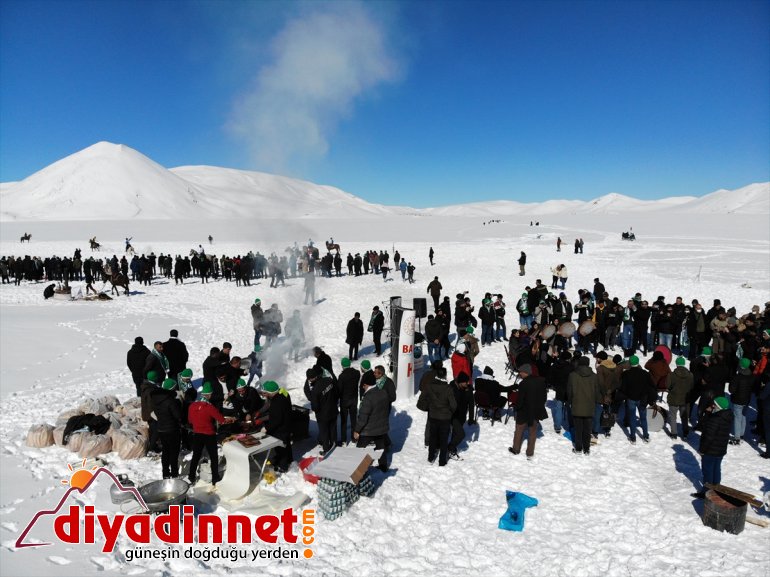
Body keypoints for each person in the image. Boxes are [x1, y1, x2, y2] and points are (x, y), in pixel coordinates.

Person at [188, 383, 235, 486]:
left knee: (196, 455)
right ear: (209, 395)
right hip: (209, 434)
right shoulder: (209, 407)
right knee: (213, 457)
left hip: (197, 434)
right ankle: (215, 478)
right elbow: (221, 420)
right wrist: (230, 419)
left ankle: (191, 476)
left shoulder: (192, 406)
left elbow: (190, 421)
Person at [691, 397, 732, 499]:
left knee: (708, 471)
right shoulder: (727, 416)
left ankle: (706, 492)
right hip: (720, 449)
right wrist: (710, 413)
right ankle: (716, 489)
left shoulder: (715, 419)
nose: (712, 406)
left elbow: (709, 436)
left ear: (719, 407)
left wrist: (702, 450)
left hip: (710, 450)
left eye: (714, 405)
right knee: (716, 469)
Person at [353, 373, 391, 472]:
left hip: (368, 430)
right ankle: (383, 467)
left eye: (363, 385)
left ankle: (357, 469)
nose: (362, 387)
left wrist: (357, 430)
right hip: (381, 428)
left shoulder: (368, 398)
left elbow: (363, 417)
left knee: (360, 449)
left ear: (366, 385)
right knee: (380, 448)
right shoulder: (383, 392)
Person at [510, 364, 548, 459]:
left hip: (524, 411)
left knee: (519, 430)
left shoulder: (523, 383)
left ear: (525, 372)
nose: (520, 374)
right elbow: (544, 398)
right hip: (535, 411)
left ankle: (516, 449)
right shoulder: (541, 381)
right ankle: (530, 453)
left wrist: (516, 408)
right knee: (533, 432)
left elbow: (520, 400)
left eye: (521, 372)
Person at [254, 381, 293, 472]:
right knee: (286, 445)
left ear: (270, 393)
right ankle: (290, 460)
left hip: (280, 428)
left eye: (265, 393)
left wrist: (266, 428)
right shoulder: (283, 393)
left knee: (280, 447)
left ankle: (283, 467)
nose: (264, 395)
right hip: (287, 424)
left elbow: (276, 419)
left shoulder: (277, 402)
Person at [567, 357, 601, 454]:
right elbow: (597, 391)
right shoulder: (594, 376)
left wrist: (570, 401)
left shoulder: (572, 375)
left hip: (577, 404)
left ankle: (578, 448)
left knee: (578, 429)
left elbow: (569, 391)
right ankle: (587, 449)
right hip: (589, 405)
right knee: (587, 428)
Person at [425, 366, 456, 466]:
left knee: (433, 437)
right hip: (445, 418)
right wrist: (449, 412)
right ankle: (442, 461)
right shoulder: (448, 389)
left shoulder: (430, 386)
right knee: (443, 439)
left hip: (433, 416)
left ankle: (430, 458)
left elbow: (427, 399)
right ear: (445, 375)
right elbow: (453, 405)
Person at [620, 355, 654, 444]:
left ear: (630, 363)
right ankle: (646, 436)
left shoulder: (626, 374)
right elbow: (650, 386)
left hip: (631, 399)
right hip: (642, 399)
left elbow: (623, 388)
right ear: (638, 362)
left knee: (632, 418)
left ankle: (633, 437)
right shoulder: (645, 374)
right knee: (643, 418)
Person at [152, 379, 182, 479]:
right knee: (174, 452)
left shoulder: (156, 399)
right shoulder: (170, 401)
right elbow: (177, 415)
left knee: (166, 451)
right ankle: (174, 473)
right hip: (172, 429)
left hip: (161, 429)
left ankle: (165, 473)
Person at [304, 367, 339, 454]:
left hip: (323, 415)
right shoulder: (328, 380)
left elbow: (315, 407)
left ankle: (327, 450)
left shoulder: (315, 390)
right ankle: (335, 446)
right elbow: (336, 393)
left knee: (325, 433)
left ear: (311, 378)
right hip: (333, 410)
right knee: (333, 430)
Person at [666, 356, 694, 439]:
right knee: (684, 416)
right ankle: (685, 432)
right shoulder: (690, 375)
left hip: (674, 398)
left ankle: (674, 434)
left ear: (677, 364)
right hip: (685, 399)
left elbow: (667, 386)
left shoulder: (671, 375)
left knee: (673, 416)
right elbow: (691, 386)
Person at [728, 357, 754, 445]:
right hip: (746, 400)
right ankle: (741, 434)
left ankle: (737, 438)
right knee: (743, 416)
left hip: (737, 400)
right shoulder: (751, 376)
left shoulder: (737, 377)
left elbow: (731, 390)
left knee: (737, 418)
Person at [337, 358, 360, 446]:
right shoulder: (357, 373)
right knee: (354, 420)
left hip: (345, 400)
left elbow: (339, 389)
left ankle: (343, 440)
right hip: (354, 399)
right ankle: (354, 438)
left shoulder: (342, 376)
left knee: (344, 420)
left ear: (342, 366)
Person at [448, 371, 471, 459]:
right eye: (466, 382)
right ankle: (450, 447)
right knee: (461, 434)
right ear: (461, 382)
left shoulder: (463, 388)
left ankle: (452, 448)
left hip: (460, 416)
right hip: (453, 416)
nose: (468, 383)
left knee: (456, 433)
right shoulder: (453, 389)